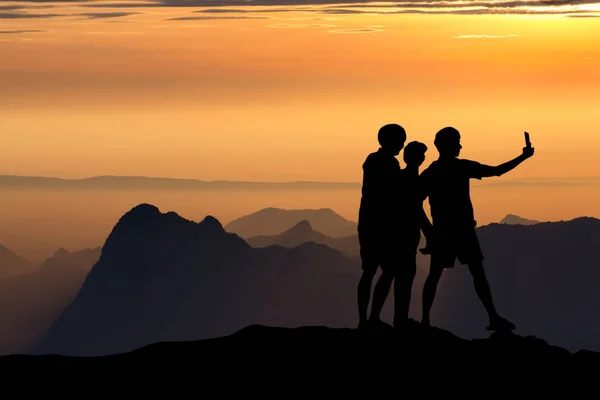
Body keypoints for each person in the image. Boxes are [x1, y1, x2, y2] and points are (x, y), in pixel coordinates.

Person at [419, 127, 535, 331]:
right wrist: (523, 157)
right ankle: (492, 317)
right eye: (457, 142)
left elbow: (415, 203)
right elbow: (496, 171)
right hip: (461, 230)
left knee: (435, 274)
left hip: (443, 231)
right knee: (476, 274)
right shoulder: (461, 167)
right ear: (446, 145)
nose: (460, 146)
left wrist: (429, 231)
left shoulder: (431, 173)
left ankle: (425, 321)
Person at [356, 123, 405, 329]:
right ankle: (370, 318)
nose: (401, 146)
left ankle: (366, 320)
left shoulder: (375, 160)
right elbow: (391, 193)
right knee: (384, 270)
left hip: (370, 224)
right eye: (399, 142)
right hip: (379, 226)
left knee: (372, 271)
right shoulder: (383, 163)